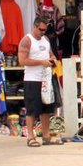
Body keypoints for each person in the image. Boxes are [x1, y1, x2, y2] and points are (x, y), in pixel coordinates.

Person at [19, 17, 60, 147]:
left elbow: (51, 54)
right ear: (35, 26)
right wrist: (41, 62)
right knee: (31, 109)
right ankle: (30, 136)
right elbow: (23, 61)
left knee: (46, 108)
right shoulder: (27, 40)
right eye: (41, 29)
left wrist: (53, 60)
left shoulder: (46, 40)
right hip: (32, 79)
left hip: (46, 79)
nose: (42, 32)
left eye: (45, 30)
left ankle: (46, 136)